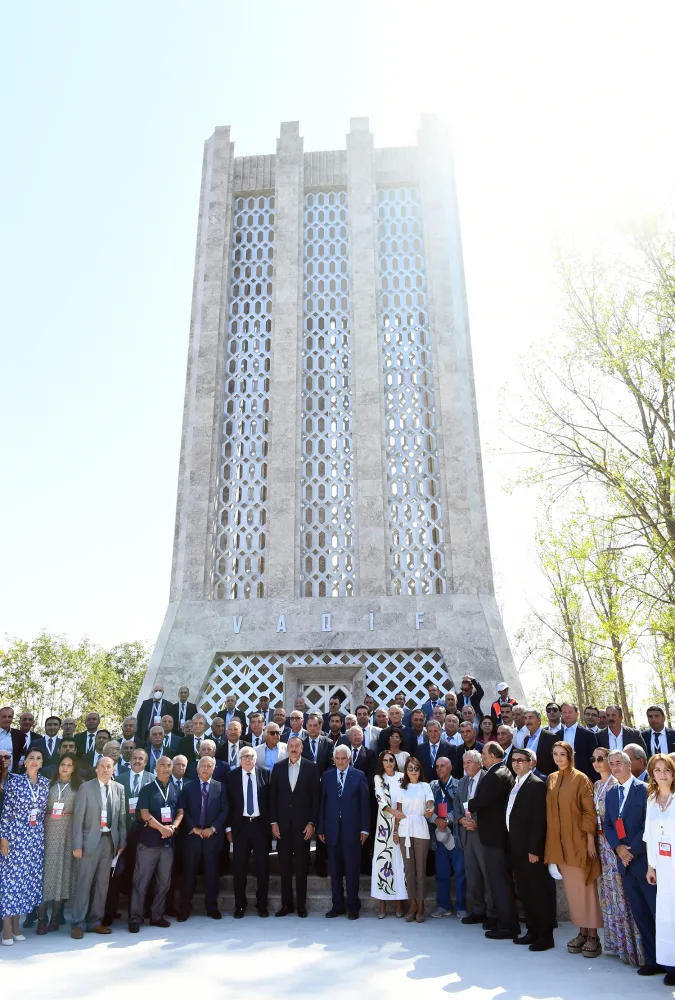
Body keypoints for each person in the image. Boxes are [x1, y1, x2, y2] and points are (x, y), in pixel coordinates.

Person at [544, 741, 602, 958]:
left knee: (587, 889)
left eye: (563, 754)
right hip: (560, 845)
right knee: (573, 892)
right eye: (555, 754)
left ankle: (594, 936)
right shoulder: (551, 778)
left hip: (579, 842)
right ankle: (581, 932)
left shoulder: (581, 779)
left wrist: (589, 840)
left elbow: (589, 812)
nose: (559, 758)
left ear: (570, 755)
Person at [591, 745, 645, 966]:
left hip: (631, 850)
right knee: (613, 898)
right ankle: (621, 946)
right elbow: (606, 822)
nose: (612, 766)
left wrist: (625, 849)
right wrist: (615, 846)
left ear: (628, 764)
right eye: (609, 763)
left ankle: (641, 950)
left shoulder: (635, 788)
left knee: (630, 900)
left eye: (616, 762)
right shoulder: (600, 787)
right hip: (609, 847)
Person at [467, 741, 519, 940]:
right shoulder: (502, 771)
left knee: (499, 882)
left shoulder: (496, 775)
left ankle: (507, 926)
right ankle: (503, 921)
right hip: (497, 836)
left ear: (492, 756)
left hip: (494, 838)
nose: (482, 756)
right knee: (499, 881)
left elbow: (481, 800)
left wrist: (470, 805)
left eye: (484, 753)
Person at [70, 756, 127, 939]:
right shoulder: (86, 788)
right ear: (96, 769)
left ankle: (95, 921)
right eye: (101, 766)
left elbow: (121, 819)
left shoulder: (119, 789)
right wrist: (77, 845)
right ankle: (78, 923)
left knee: (103, 885)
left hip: (109, 841)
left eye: (108, 767)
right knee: (84, 883)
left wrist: (121, 842)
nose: (105, 769)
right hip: (89, 842)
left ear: (113, 770)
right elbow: (77, 819)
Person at [507, 748, 556, 951]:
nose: (517, 763)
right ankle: (532, 931)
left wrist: (534, 849)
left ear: (531, 763)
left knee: (538, 893)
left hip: (531, 851)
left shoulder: (536, 785)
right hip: (516, 847)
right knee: (526, 893)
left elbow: (539, 820)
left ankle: (545, 937)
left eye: (521, 760)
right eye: (514, 760)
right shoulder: (516, 783)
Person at [129, 755, 183, 933]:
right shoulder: (147, 789)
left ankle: (156, 915)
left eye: (169, 765)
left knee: (164, 882)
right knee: (141, 881)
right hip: (148, 843)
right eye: (163, 765)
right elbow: (143, 814)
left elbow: (181, 811)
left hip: (168, 845)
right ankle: (135, 918)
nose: (167, 768)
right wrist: (161, 828)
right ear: (156, 768)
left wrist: (173, 827)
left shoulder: (176, 788)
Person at [0, 747, 49, 946]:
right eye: (31, 758)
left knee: (26, 882)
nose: (35, 761)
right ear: (24, 762)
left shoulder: (45, 784)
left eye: (38, 758)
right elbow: (6, 812)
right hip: (15, 836)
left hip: (35, 838)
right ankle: (6, 928)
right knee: (10, 881)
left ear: (42, 763)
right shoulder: (15, 783)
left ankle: (17, 925)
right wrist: (3, 837)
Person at [269, 735, 319, 917]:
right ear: (287, 748)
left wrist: (312, 823)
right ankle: (286, 905)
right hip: (282, 827)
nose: (294, 748)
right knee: (284, 867)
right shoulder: (278, 767)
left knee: (301, 867)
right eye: (291, 745)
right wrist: (273, 822)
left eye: (297, 745)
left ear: (302, 748)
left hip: (303, 827)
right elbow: (272, 796)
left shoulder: (311, 768)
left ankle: (301, 906)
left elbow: (315, 799)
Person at [318, 745, 369, 919]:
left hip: (352, 830)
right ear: (334, 760)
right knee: (335, 869)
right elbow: (322, 803)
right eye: (337, 759)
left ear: (349, 759)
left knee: (352, 869)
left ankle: (353, 905)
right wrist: (321, 828)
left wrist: (364, 828)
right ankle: (337, 905)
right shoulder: (327, 776)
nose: (340, 761)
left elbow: (364, 804)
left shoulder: (359, 775)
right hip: (332, 829)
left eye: (343, 758)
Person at [106, 748, 153, 925]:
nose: (137, 761)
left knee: (143, 873)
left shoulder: (152, 779)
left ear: (146, 762)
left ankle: (142, 910)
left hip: (145, 833)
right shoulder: (119, 780)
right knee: (116, 873)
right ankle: (110, 912)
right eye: (134, 758)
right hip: (123, 832)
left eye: (141, 758)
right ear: (129, 760)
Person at [37, 753, 82, 934]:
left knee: (61, 876)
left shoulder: (78, 788)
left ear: (74, 768)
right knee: (44, 876)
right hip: (47, 834)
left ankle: (56, 916)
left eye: (69, 765)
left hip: (66, 835)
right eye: (63, 764)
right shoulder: (47, 785)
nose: (65, 767)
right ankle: (42, 918)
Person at [179, 755, 228, 921]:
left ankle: (212, 907)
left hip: (211, 837)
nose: (206, 768)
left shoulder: (221, 787)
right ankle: (185, 908)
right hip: (193, 837)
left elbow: (224, 811)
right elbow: (183, 810)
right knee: (189, 874)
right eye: (203, 766)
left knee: (212, 874)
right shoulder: (188, 787)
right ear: (197, 769)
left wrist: (212, 828)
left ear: (214, 769)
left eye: (209, 766)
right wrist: (194, 828)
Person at [225, 746, 271, 918]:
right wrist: (228, 828)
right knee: (239, 868)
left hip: (260, 826)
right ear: (240, 759)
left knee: (262, 868)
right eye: (244, 756)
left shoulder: (265, 773)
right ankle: (240, 905)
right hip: (240, 827)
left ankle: (262, 905)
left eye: (250, 756)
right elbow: (228, 804)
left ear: (255, 757)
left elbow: (270, 800)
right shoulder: (231, 777)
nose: (247, 759)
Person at [644, 753, 675, 986]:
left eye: (667, 769)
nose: (662, 774)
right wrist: (651, 866)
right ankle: (671, 965)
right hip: (663, 868)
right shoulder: (652, 799)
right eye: (658, 770)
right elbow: (649, 835)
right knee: (666, 917)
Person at [456, 750, 494, 928]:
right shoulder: (462, 782)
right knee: (472, 876)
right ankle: (478, 911)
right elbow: (456, 804)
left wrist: (477, 822)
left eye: (469, 762)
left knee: (487, 874)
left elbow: (492, 805)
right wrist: (460, 819)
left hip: (483, 833)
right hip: (466, 833)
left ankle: (492, 913)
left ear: (479, 763)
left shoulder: (488, 779)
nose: (466, 766)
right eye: (464, 763)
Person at [395, 756, 433, 923]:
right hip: (405, 829)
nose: (413, 771)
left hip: (420, 827)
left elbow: (430, 804)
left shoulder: (425, 786)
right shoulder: (401, 788)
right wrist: (396, 831)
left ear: (420, 770)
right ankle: (412, 903)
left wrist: (430, 810)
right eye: (410, 768)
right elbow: (398, 811)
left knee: (420, 869)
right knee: (409, 870)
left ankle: (422, 904)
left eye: (416, 768)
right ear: (406, 770)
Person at [429, 754, 465, 919]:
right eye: (437, 766)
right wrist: (436, 819)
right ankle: (443, 905)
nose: (439, 769)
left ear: (450, 767)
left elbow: (462, 809)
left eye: (443, 766)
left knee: (460, 872)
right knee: (442, 872)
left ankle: (461, 906)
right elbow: (426, 807)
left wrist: (447, 819)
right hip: (439, 836)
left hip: (456, 835)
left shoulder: (460, 785)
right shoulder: (432, 786)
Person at [371, 751, 407, 918]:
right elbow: (380, 799)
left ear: (395, 761)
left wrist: (398, 818)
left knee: (399, 863)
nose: (388, 763)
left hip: (402, 823)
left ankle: (400, 904)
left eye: (391, 760)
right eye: (385, 760)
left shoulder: (402, 776)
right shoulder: (379, 778)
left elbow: (404, 798)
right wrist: (393, 812)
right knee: (383, 862)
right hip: (384, 825)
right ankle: (382, 904)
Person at [559, 703, 598, 780]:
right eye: (564, 712)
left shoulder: (588, 734)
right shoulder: (556, 735)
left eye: (570, 712)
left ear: (577, 714)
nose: (567, 714)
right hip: (562, 776)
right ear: (561, 714)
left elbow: (593, 760)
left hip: (582, 777)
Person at [523, 709, 557, 776]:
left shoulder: (551, 737)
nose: (528, 721)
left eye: (530, 718)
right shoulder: (526, 739)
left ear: (539, 720)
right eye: (525, 718)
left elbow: (555, 762)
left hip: (545, 779)